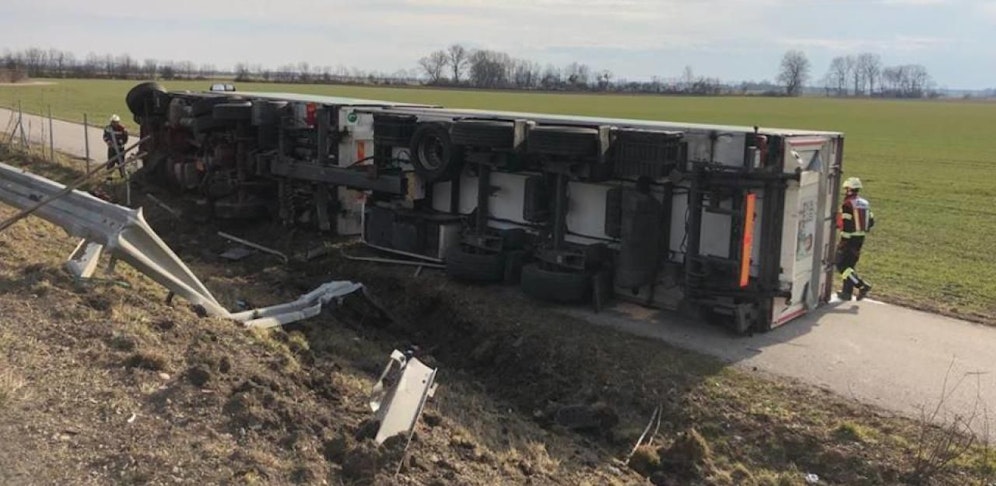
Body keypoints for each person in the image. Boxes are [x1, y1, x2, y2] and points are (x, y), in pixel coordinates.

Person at [835, 177, 874, 301]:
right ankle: (847, 293)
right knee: (850, 265)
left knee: (841, 265)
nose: (845, 191)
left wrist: (843, 241)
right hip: (860, 238)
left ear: (850, 189)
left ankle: (862, 285)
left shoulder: (847, 204)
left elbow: (846, 224)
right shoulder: (865, 203)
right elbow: (871, 221)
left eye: (846, 189)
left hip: (849, 239)